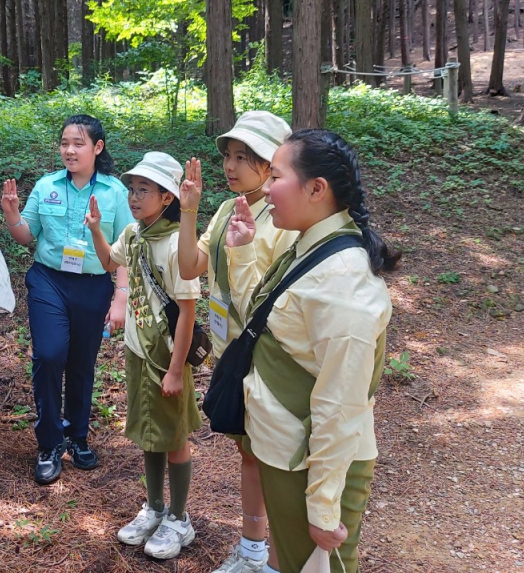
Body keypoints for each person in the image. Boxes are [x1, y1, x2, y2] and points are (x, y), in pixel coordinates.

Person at [223, 129, 399, 573]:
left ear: (316, 189)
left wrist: (322, 508)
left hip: (306, 461)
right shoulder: (309, 247)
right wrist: (243, 253)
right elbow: (263, 322)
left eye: (276, 176)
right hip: (284, 449)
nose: (265, 189)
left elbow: (341, 404)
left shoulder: (344, 283)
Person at [177, 111, 298, 573]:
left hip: (268, 351)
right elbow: (190, 267)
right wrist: (189, 211)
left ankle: (272, 555)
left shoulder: (286, 215)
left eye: (243, 156)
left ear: (270, 163)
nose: (230, 165)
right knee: (249, 450)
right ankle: (252, 548)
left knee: (270, 453)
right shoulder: (229, 208)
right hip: (232, 349)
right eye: (228, 155)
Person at [0, 114, 132, 485]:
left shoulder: (114, 192)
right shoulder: (46, 186)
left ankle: (77, 436)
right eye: (64, 143)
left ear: (97, 148)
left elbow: (124, 249)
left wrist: (120, 296)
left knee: (81, 363)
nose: (70, 150)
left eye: (78, 143)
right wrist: (12, 215)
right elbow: (27, 237)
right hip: (49, 282)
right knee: (49, 353)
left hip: (93, 286)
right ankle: (49, 443)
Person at [87, 152, 202, 561]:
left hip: (165, 356)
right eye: (132, 189)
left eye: (144, 190)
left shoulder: (175, 246)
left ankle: (180, 517)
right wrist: (98, 230)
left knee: (173, 437)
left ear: (168, 198)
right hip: (138, 351)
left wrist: (175, 371)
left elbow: (187, 311)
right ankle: (153, 507)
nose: (134, 197)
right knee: (149, 435)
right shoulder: (134, 235)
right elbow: (107, 262)